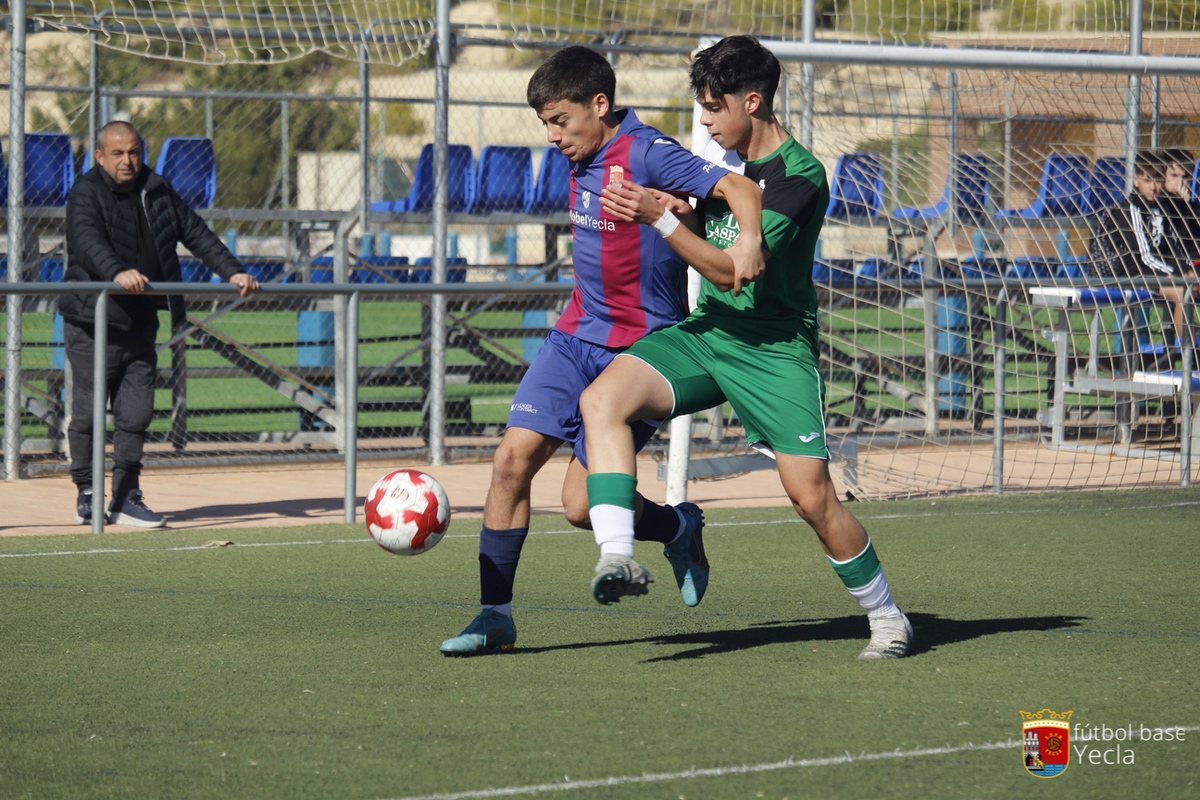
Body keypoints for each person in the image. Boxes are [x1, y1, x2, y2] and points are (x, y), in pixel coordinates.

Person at [582, 34, 913, 659]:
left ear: (752, 101)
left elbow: (734, 272)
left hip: (773, 349)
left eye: (713, 108)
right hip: (710, 336)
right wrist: (675, 207)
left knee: (811, 498)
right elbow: (707, 231)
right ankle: (620, 556)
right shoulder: (722, 170)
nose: (704, 121)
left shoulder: (800, 176)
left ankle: (888, 618)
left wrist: (660, 217)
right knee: (603, 400)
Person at [439, 46, 766, 656]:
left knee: (579, 506)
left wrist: (738, 235)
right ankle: (494, 615)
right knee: (510, 463)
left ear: (600, 105)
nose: (552, 136)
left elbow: (737, 187)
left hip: (639, 350)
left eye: (560, 120)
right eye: (544, 124)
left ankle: (675, 526)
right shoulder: (580, 151)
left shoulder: (648, 152)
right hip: (573, 338)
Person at [61, 120, 259, 528]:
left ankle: (126, 497)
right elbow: (86, 240)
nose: (127, 160)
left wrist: (232, 271)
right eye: (117, 153)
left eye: (133, 152)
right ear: (100, 156)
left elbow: (197, 233)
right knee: (88, 415)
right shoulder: (85, 192)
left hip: (140, 319)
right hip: (92, 321)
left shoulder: (158, 188)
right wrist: (117, 271)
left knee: (136, 414)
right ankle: (86, 493)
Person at [1089, 151, 1199, 348]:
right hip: (1128, 274)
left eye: (1157, 180)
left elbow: (1171, 249)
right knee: (1183, 293)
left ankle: (1189, 351)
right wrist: (1178, 274)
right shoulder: (1129, 209)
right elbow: (1143, 257)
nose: (1153, 187)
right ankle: (1191, 358)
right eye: (1147, 180)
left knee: (1191, 286)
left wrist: (1189, 272)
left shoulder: (1159, 208)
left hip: (1154, 272)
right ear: (1136, 181)